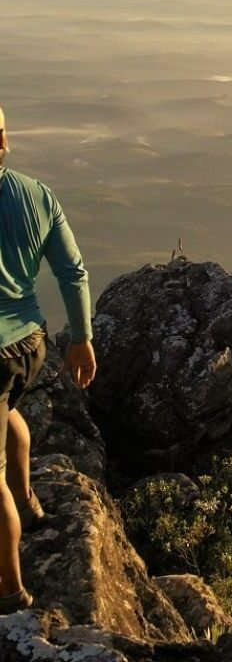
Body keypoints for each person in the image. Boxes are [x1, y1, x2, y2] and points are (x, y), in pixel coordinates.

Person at [0, 105, 96, 613]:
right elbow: (73, 271)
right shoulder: (38, 195)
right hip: (31, 346)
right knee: (8, 411)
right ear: (3, 140)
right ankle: (30, 505)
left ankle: (10, 593)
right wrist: (81, 338)